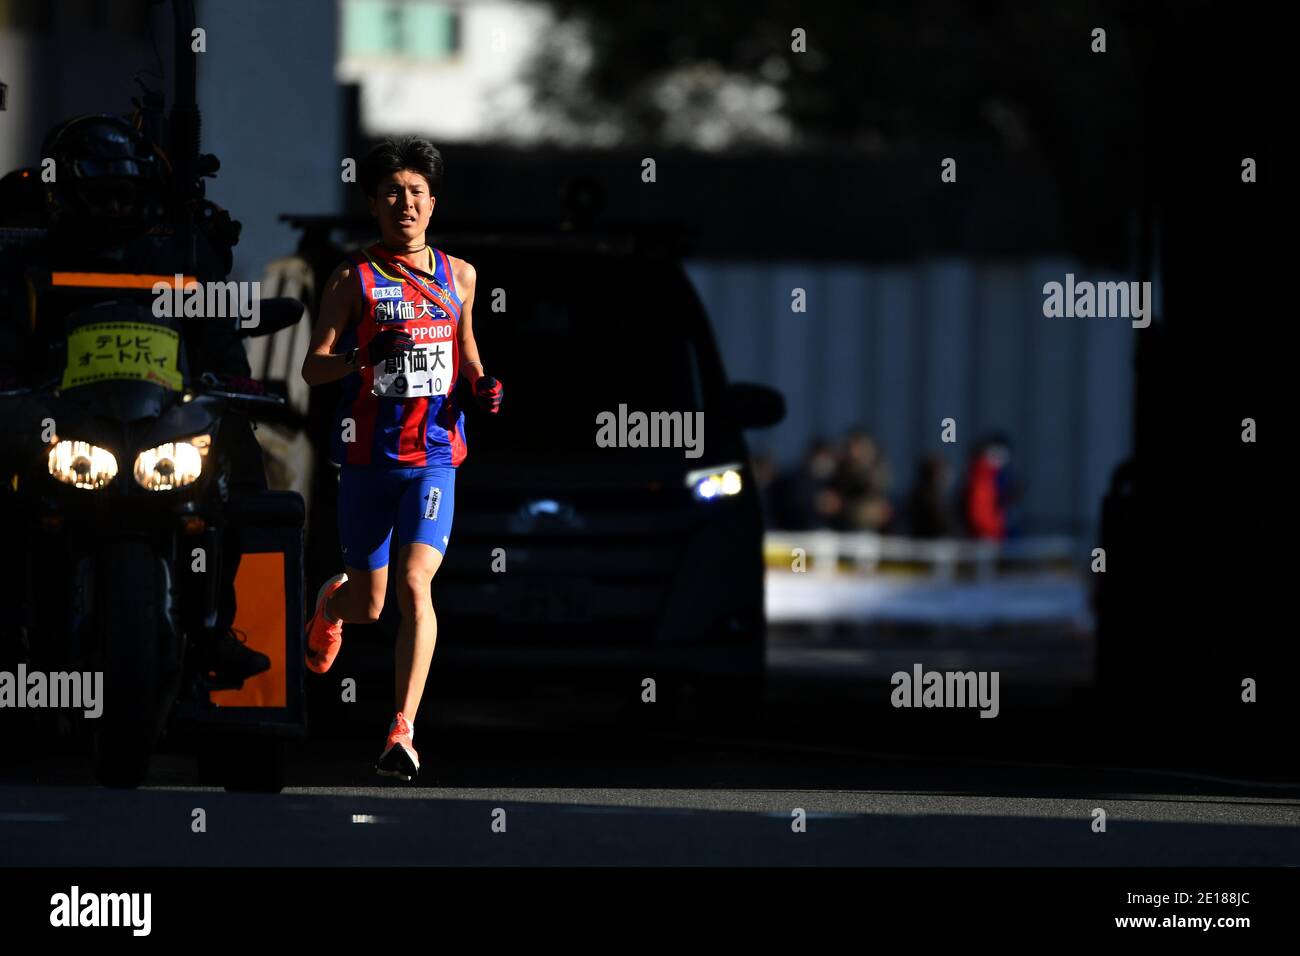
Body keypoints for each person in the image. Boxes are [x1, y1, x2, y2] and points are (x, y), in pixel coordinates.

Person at [300, 136, 503, 781]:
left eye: (416, 192)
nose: (404, 203)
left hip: (435, 456)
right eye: (392, 192)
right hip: (366, 462)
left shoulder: (460, 275)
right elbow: (312, 368)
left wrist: (482, 384)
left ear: (432, 203)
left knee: (418, 584)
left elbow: (466, 352)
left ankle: (402, 729)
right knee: (369, 606)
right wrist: (363, 357)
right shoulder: (350, 276)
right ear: (373, 204)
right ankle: (332, 604)